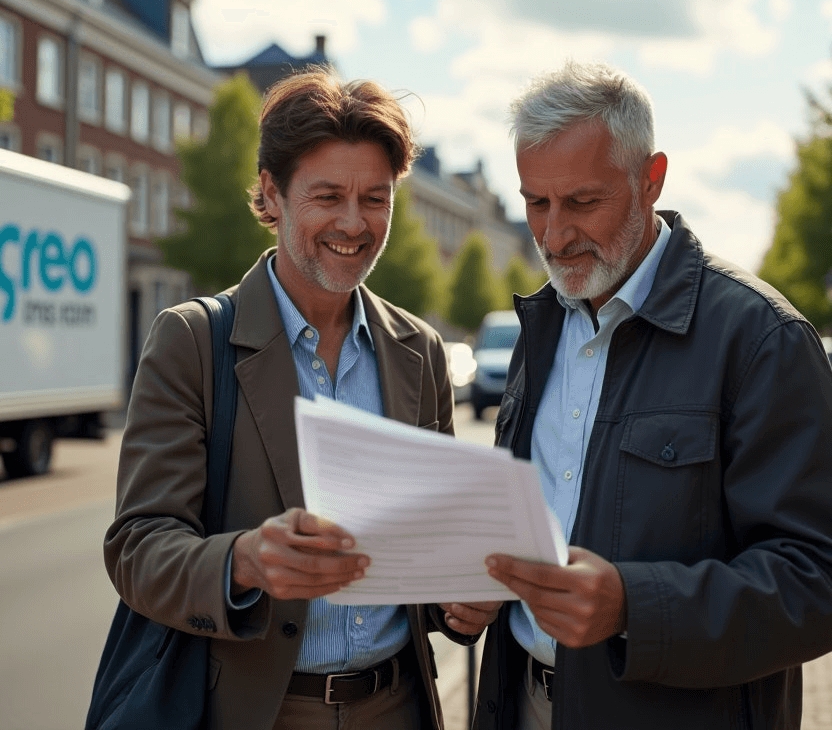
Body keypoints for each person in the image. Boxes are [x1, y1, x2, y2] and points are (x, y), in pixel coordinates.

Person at [103, 70, 495, 730]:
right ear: (270, 194)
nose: (353, 222)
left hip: (398, 707)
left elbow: (429, 552)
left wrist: (460, 597)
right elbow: (138, 548)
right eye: (327, 196)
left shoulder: (419, 351)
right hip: (256, 711)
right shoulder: (192, 341)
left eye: (375, 198)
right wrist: (244, 560)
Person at [475, 59, 832, 730]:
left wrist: (633, 608)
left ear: (651, 180)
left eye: (582, 202)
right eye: (535, 203)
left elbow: (818, 578)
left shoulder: (761, 339)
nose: (553, 236)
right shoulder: (541, 324)